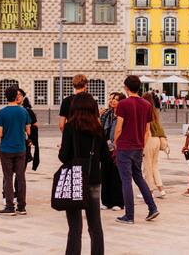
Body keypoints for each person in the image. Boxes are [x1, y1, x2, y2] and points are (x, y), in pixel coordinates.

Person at [59, 92, 108, 255]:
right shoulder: (98, 128)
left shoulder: (69, 127)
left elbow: (64, 156)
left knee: (74, 227)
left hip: (74, 179)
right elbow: (105, 157)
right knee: (95, 226)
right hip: (93, 178)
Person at [113, 75, 159, 224]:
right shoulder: (147, 105)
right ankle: (152, 208)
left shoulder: (123, 104)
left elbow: (119, 128)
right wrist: (141, 145)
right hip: (138, 147)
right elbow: (147, 131)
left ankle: (129, 215)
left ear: (126, 87)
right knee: (138, 177)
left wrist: (116, 143)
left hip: (125, 146)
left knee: (126, 180)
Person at [0, 86, 32, 216]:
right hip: (20, 148)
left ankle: (10, 206)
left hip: (6, 149)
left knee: (8, 177)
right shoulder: (24, 112)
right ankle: (22, 207)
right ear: (16, 97)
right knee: (21, 177)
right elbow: (28, 131)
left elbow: (0, 134)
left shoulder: (2, 112)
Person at [99, 92, 125, 210]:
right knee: (105, 173)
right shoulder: (106, 114)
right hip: (106, 146)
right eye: (112, 99)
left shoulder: (123, 115)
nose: (113, 101)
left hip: (118, 147)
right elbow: (100, 129)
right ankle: (106, 201)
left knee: (116, 174)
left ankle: (118, 202)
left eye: (116, 99)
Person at [141, 92, 167, 199]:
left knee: (147, 166)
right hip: (157, 139)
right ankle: (161, 190)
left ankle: (149, 191)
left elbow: (145, 129)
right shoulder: (154, 111)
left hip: (149, 139)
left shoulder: (144, 110)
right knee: (154, 166)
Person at [18, 88, 40, 172]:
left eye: (20, 95)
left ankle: (18, 185)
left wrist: (32, 139)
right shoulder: (8, 110)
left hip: (24, 144)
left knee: (20, 172)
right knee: (8, 173)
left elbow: (35, 126)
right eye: (16, 95)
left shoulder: (28, 111)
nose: (18, 96)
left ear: (23, 97)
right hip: (11, 143)